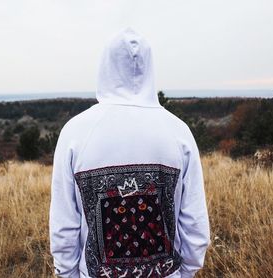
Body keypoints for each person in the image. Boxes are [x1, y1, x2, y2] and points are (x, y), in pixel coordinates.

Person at [49, 28, 211, 278]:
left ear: (105, 67)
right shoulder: (179, 133)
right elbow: (195, 225)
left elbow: (64, 226)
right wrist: (185, 273)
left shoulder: (75, 133)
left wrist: (67, 274)